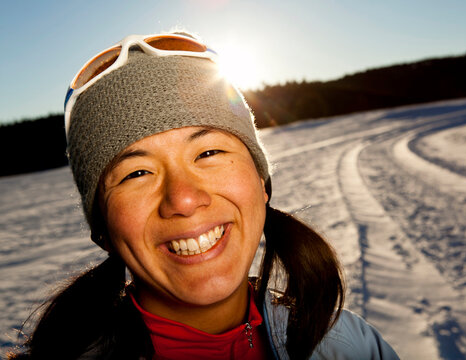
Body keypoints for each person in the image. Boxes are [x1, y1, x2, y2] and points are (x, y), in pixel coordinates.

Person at [8, 32, 399, 360]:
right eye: (137, 173)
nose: (183, 199)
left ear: (261, 183)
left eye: (208, 153)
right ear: (104, 230)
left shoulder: (348, 344)